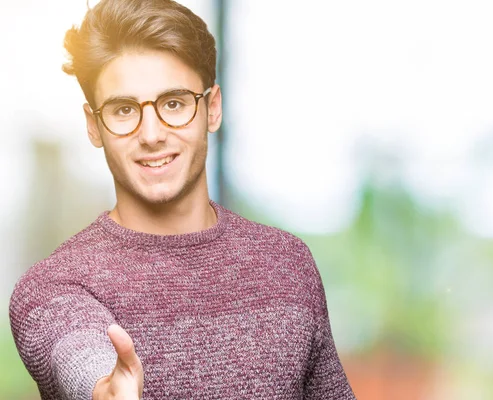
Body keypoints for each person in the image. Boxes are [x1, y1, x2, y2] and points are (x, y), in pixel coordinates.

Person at [8, 0, 356, 399]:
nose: (152, 134)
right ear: (94, 126)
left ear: (212, 108)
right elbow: (76, 351)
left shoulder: (288, 266)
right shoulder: (52, 287)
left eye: (173, 103)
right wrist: (102, 390)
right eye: (124, 110)